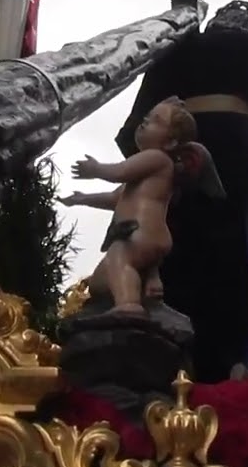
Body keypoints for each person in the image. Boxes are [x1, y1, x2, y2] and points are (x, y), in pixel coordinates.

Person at [114, 0, 248, 383]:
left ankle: (162, 359)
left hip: (173, 156)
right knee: (236, 265)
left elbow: (134, 129)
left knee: (169, 254)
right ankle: (230, 365)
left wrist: (151, 167)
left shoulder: (177, 47)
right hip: (240, 157)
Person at [64, 97, 224, 316]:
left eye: (155, 120)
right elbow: (114, 198)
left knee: (118, 257)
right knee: (100, 282)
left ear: (170, 142)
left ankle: (128, 305)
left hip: (140, 234)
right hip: (144, 237)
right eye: (147, 117)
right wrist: (82, 198)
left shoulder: (157, 158)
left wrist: (96, 169)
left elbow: (119, 171)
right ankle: (151, 281)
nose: (145, 121)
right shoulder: (143, 176)